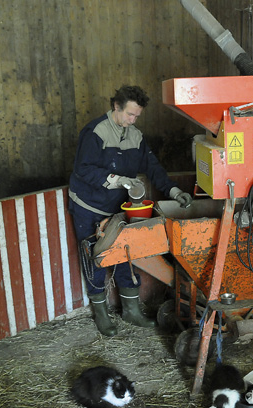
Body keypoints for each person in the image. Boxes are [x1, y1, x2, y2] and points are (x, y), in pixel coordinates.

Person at [68, 84, 192, 336]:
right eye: (129, 114)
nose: (133, 120)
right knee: (96, 257)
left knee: (124, 253)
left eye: (137, 116)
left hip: (117, 209)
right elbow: (84, 169)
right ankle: (101, 315)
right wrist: (119, 180)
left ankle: (131, 311)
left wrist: (174, 191)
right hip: (88, 206)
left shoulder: (135, 136)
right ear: (116, 106)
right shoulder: (95, 132)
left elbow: (153, 168)